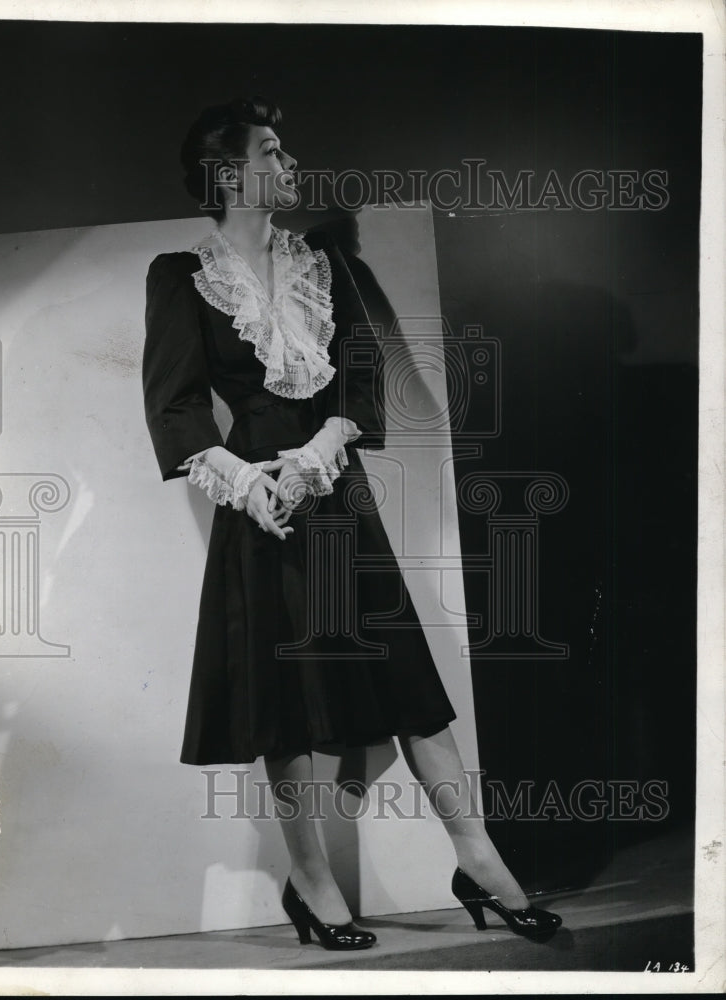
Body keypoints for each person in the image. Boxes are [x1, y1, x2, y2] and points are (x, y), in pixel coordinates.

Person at [142, 96, 562, 950]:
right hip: (256, 503)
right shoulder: (178, 275)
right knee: (284, 703)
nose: (290, 164)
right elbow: (176, 406)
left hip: (335, 489)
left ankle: (478, 858)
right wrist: (248, 482)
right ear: (232, 173)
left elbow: (361, 391)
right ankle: (311, 881)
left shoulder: (323, 264)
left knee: (410, 683)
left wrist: (314, 456)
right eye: (272, 150)